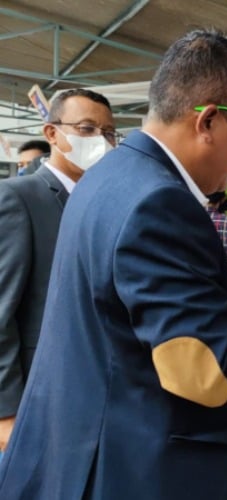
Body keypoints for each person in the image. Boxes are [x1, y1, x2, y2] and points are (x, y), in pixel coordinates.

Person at [0, 30, 227, 499]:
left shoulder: (110, 177)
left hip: (87, 448)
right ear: (210, 121)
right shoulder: (161, 203)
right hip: (136, 468)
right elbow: (205, 373)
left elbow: (145, 314)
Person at [0, 88, 116, 455]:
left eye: (109, 132)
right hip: (39, 394)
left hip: (97, 392)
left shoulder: (102, 202)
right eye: (86, 129)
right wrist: (6, 412)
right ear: (52, 133)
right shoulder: (19, 197)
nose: (100, 140)